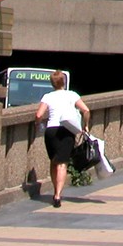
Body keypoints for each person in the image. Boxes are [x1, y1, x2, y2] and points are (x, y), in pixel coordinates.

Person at [34, 70, 90, 208]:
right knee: (62, 163)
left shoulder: (47, 96)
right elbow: (86, 110)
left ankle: (55, 189)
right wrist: (86, 126)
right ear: (63, 82)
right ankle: (58, 194)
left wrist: (38, 124)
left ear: (52, 83)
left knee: (54, 161)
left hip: (51, 131)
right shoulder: (72, 95)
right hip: (66, 130)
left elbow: (39, 114)